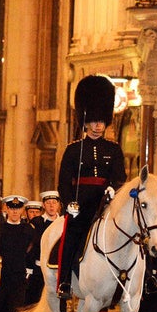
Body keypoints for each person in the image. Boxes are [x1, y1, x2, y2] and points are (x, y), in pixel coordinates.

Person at [55, 75, 127, 299]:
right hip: (82, 204)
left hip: (106, 203)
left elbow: (120, 177)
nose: (98, 126)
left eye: (101, 121)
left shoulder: (113, 150)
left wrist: (114, 189)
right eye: (94, 121)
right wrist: (69, 204)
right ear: (85, 122)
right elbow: (64, 181)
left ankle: (143, 279)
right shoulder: (74, 149)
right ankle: (65, 280)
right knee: (72, 235)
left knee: (134, 231)